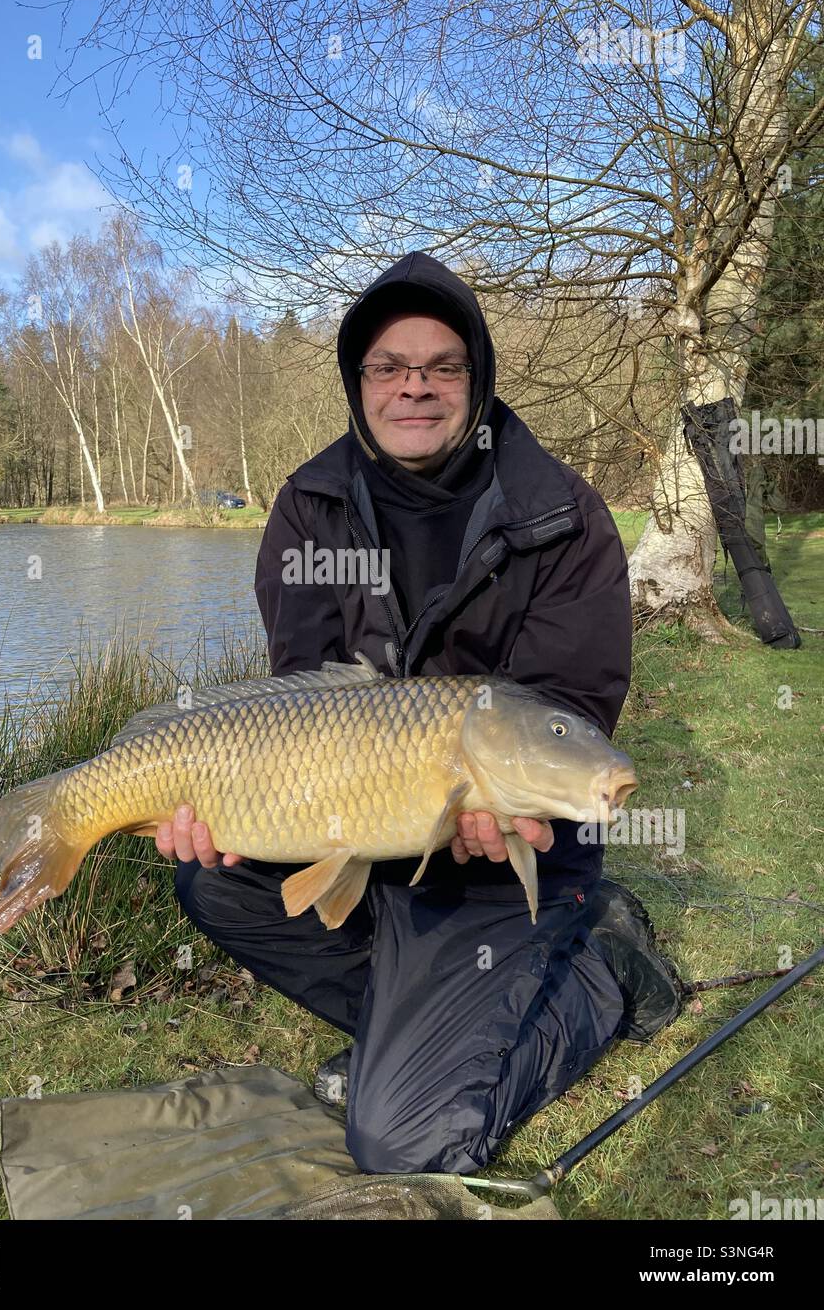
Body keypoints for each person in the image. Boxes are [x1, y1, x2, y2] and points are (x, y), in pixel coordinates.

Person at [157, 251, 681, 1175]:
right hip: (362, 824)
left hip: (499, 855)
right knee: (213, 881)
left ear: (474, 381)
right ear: (358, 383)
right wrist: (239, 806)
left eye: (442, 367)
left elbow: (564, 704)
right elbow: (301, 694)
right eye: (388, 368)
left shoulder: (559, 514)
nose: (415, 388)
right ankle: (423, 1023)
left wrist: (512, 811)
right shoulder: (309, 508)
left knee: (401, 1138)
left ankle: (599, 975)